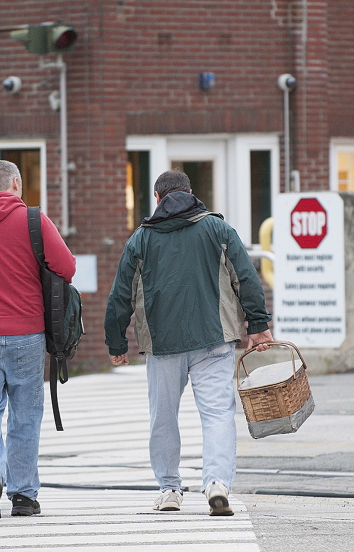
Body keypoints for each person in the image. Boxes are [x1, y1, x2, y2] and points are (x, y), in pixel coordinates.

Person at [104, 170, 274, 517]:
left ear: (157, 198)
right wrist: (258, 324)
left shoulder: (141, 240)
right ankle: (217, 484)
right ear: (191, 193)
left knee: (163, 417)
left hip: (162, 344)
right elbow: (246, 277)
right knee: (217, 414)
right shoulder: (218, 230)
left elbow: (120, 293)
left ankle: (169, 488)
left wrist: (115, 340)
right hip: (214, 340)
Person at [0, 160, 76, 521]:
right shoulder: (32, 220)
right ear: (16, 184)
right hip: (26, 334)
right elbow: (66, 267)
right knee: (24, 416)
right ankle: (23, 496)